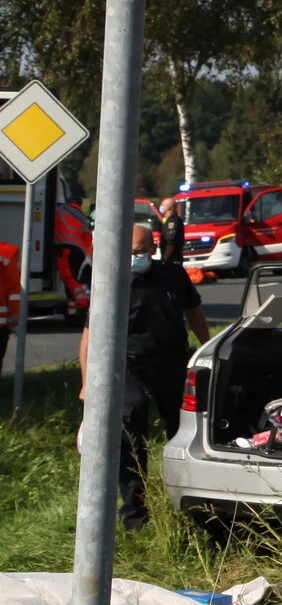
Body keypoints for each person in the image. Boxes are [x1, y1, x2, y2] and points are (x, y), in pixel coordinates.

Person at [79, 220, 209, 531]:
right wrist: (86, 383)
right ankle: (135, 514)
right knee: (130, 435)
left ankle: (190, 504)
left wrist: (208, 349)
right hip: (129, 366)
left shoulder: (173, 275)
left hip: (173, 363)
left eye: (140, 251)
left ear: (153, 249)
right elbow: (89, 336)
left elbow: (194, 312)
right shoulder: (111, 281)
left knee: (184, 432)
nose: (134, 258)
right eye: (129, 252)